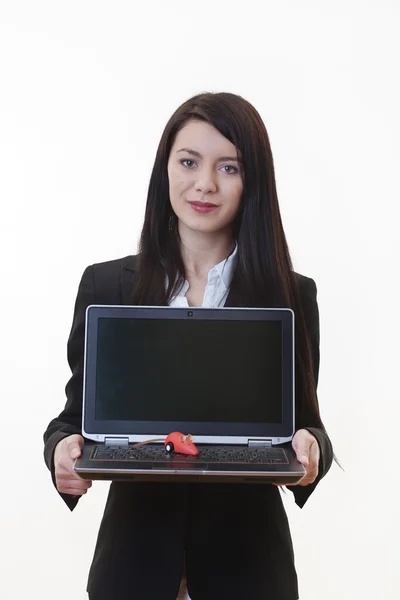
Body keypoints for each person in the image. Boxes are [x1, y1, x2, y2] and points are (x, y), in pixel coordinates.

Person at [43, 92, 333, 600]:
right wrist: (62, 453)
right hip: (135, 559)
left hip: (247, 562)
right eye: (188, 162)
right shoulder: (108, 287)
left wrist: (311, 450)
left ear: (253, 183)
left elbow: (308, 425)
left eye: (229, 167)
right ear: (166, 170)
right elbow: (73, 421)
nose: (205, 184)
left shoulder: (289, 294)